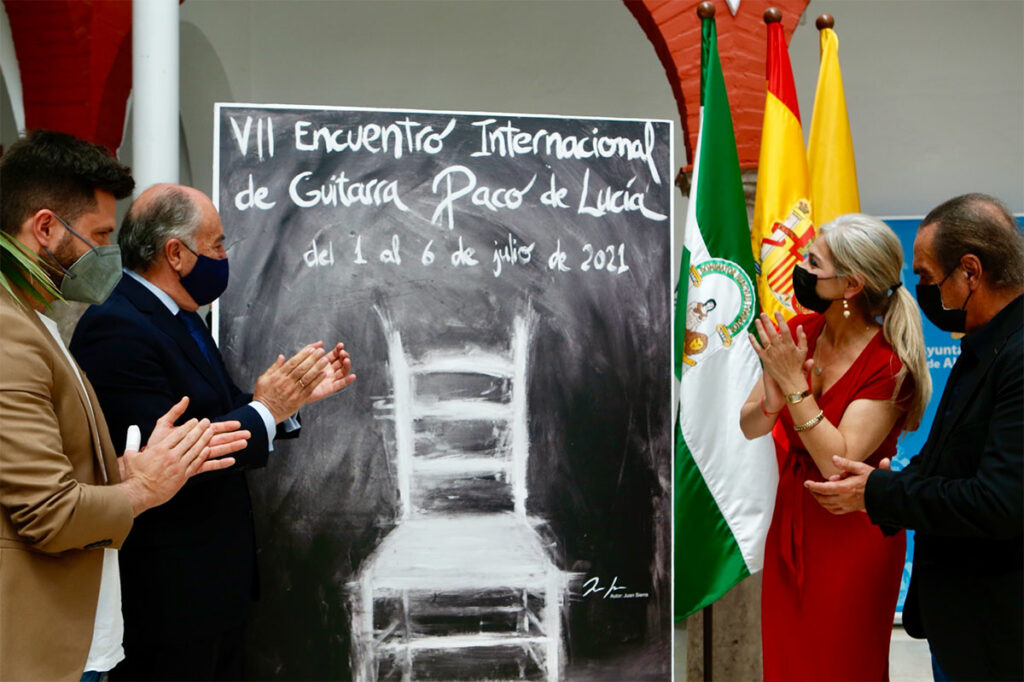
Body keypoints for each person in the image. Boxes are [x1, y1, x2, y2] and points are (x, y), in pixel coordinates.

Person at [70, 183, 356, 680]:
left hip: (212, 587)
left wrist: (287, 401)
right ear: (175, 253)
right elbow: (166, 457)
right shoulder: (117, 326)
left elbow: (216, 413)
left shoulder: (179, 316)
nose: (225, 256)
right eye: (218, 244)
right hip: (168, 597)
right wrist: (266, 408)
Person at [0, 130, 248, 681]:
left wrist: (122, 471)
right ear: (45, 228)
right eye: (98, 235)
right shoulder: (10, 336)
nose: (108, 253)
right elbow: (47, 513)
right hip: (48, 650)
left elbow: (50, 472)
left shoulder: (35, 320)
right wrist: (141, 489)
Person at [806, 194, 1023, 681]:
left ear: (970, 271)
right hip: (963, 622)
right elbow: (953, 458)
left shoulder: (1017, 354)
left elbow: (1000, 501)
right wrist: (892, 479)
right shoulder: (985, 342)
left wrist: (881, 492)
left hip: (999, 632)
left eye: (926, 276)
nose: (919, 290)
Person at [739, 213, 931, 681]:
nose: (800, 268)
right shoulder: (801, 329)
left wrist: (792, 385)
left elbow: (835, 460)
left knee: (843, 666)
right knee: (787, 665)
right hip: (793, 524)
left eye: (813, 262)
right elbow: (749, 426)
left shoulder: (888, 362)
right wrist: (772, 398)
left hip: (852, 534)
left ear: (851, 285)